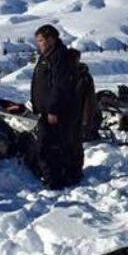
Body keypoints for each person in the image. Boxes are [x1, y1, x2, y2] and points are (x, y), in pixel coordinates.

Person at [28, 24, 84, 188]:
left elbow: (60, 86)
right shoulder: (47, 57)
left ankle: (56, 179)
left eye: (41, 41)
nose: (39, 44)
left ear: (51, 39)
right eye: (38, 41)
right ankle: (62, 176)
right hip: (46, 111)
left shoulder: (59, 57)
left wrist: (53, 109)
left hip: (57, 112)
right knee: (55, 144)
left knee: (50, 146)